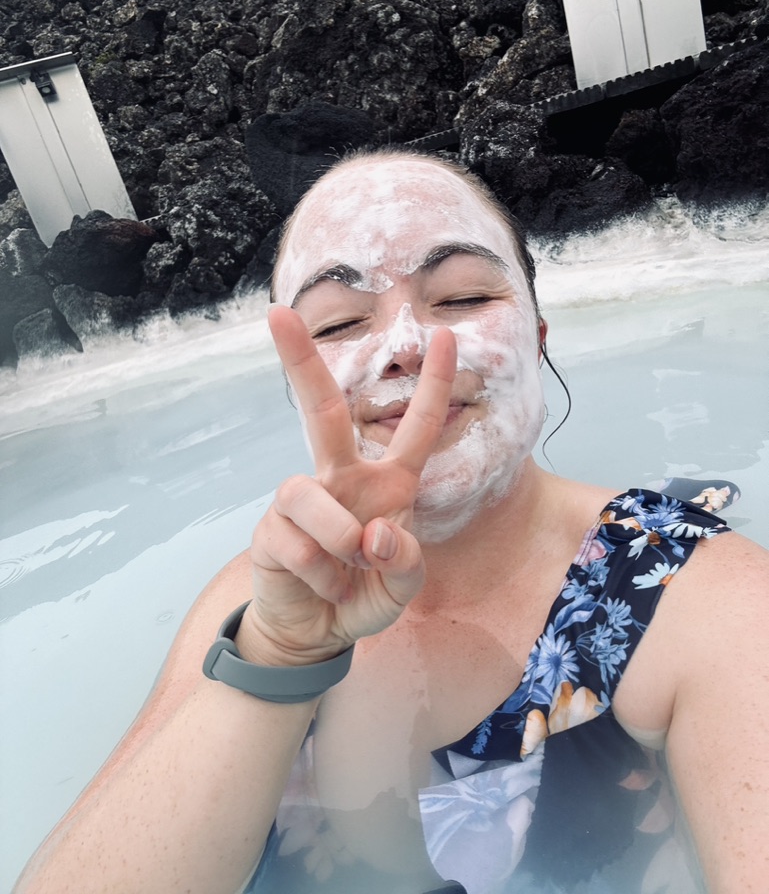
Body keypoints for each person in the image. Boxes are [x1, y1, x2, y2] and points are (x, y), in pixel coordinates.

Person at [15, 150, 769, 894]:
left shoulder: (689, 591)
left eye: (462, 298)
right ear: (295, 385)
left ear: (538, 340)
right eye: (340, 322)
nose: (406, 348)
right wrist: (279, 659)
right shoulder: (256, 606)